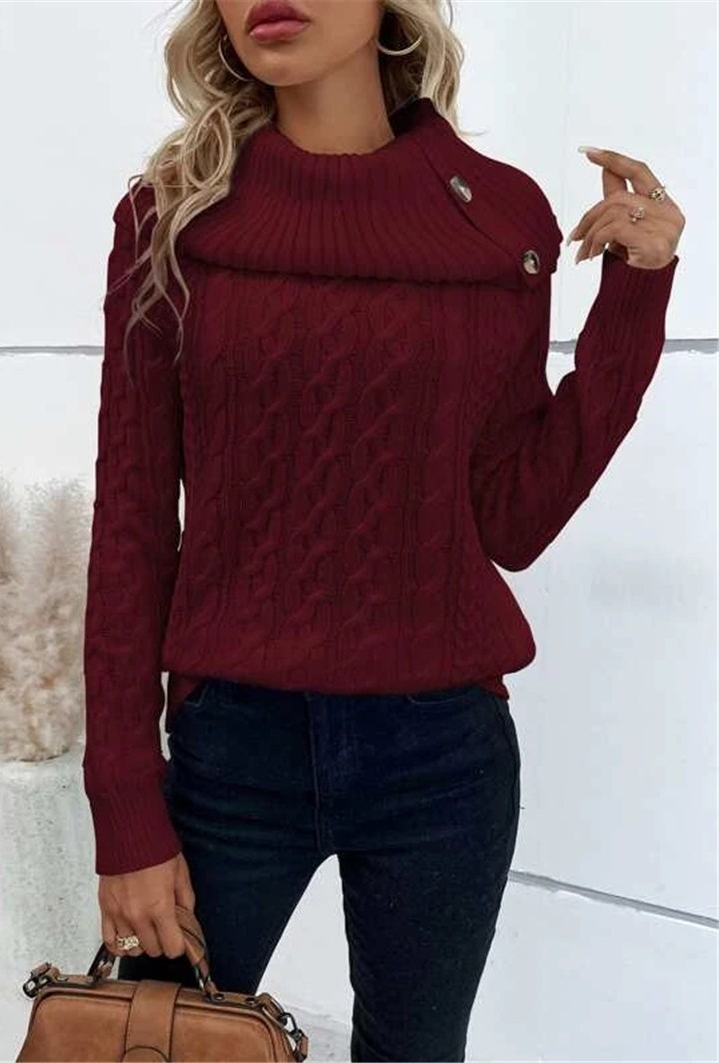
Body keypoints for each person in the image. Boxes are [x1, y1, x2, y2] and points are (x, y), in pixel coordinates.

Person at [81, 1, 684, 1059]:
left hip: (441, 759)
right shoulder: (170, 217)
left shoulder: (496, 217)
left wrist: (632, 301)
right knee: (148, 1043)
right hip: (231, 750)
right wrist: (124, 802)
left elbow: (513, 518)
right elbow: (131, 524)